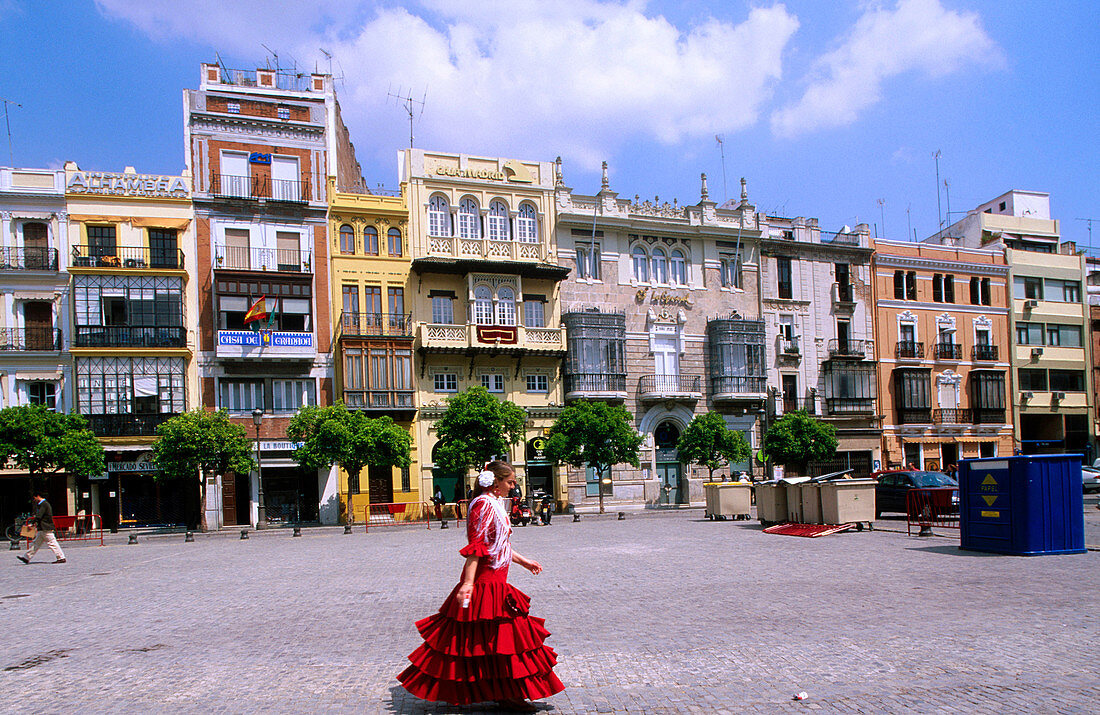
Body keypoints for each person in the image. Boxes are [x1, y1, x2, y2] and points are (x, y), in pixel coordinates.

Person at [398, 461, 563, 711]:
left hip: (497, 579)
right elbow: (477, 547)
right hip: (486, 582)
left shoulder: (495, 504)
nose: (514, 485)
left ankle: (504, 692)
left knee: (494, 640)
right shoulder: (483, 505)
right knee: (493, 639)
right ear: (495, 483)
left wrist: (525, 562)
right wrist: (468, 583)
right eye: (510, 481)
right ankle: (506, 694)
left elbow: (500, 546)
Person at [17, 489, 66, 565]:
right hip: (43, 528)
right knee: (36, 543)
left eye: (34, 498)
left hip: (45, 527)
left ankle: (61, 557)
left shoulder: (43, 504)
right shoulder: (44, 504)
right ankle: (26, 557)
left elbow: (39, 516)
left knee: (52, 543)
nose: (34, 500)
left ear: (38, 496)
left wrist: (32, 523)